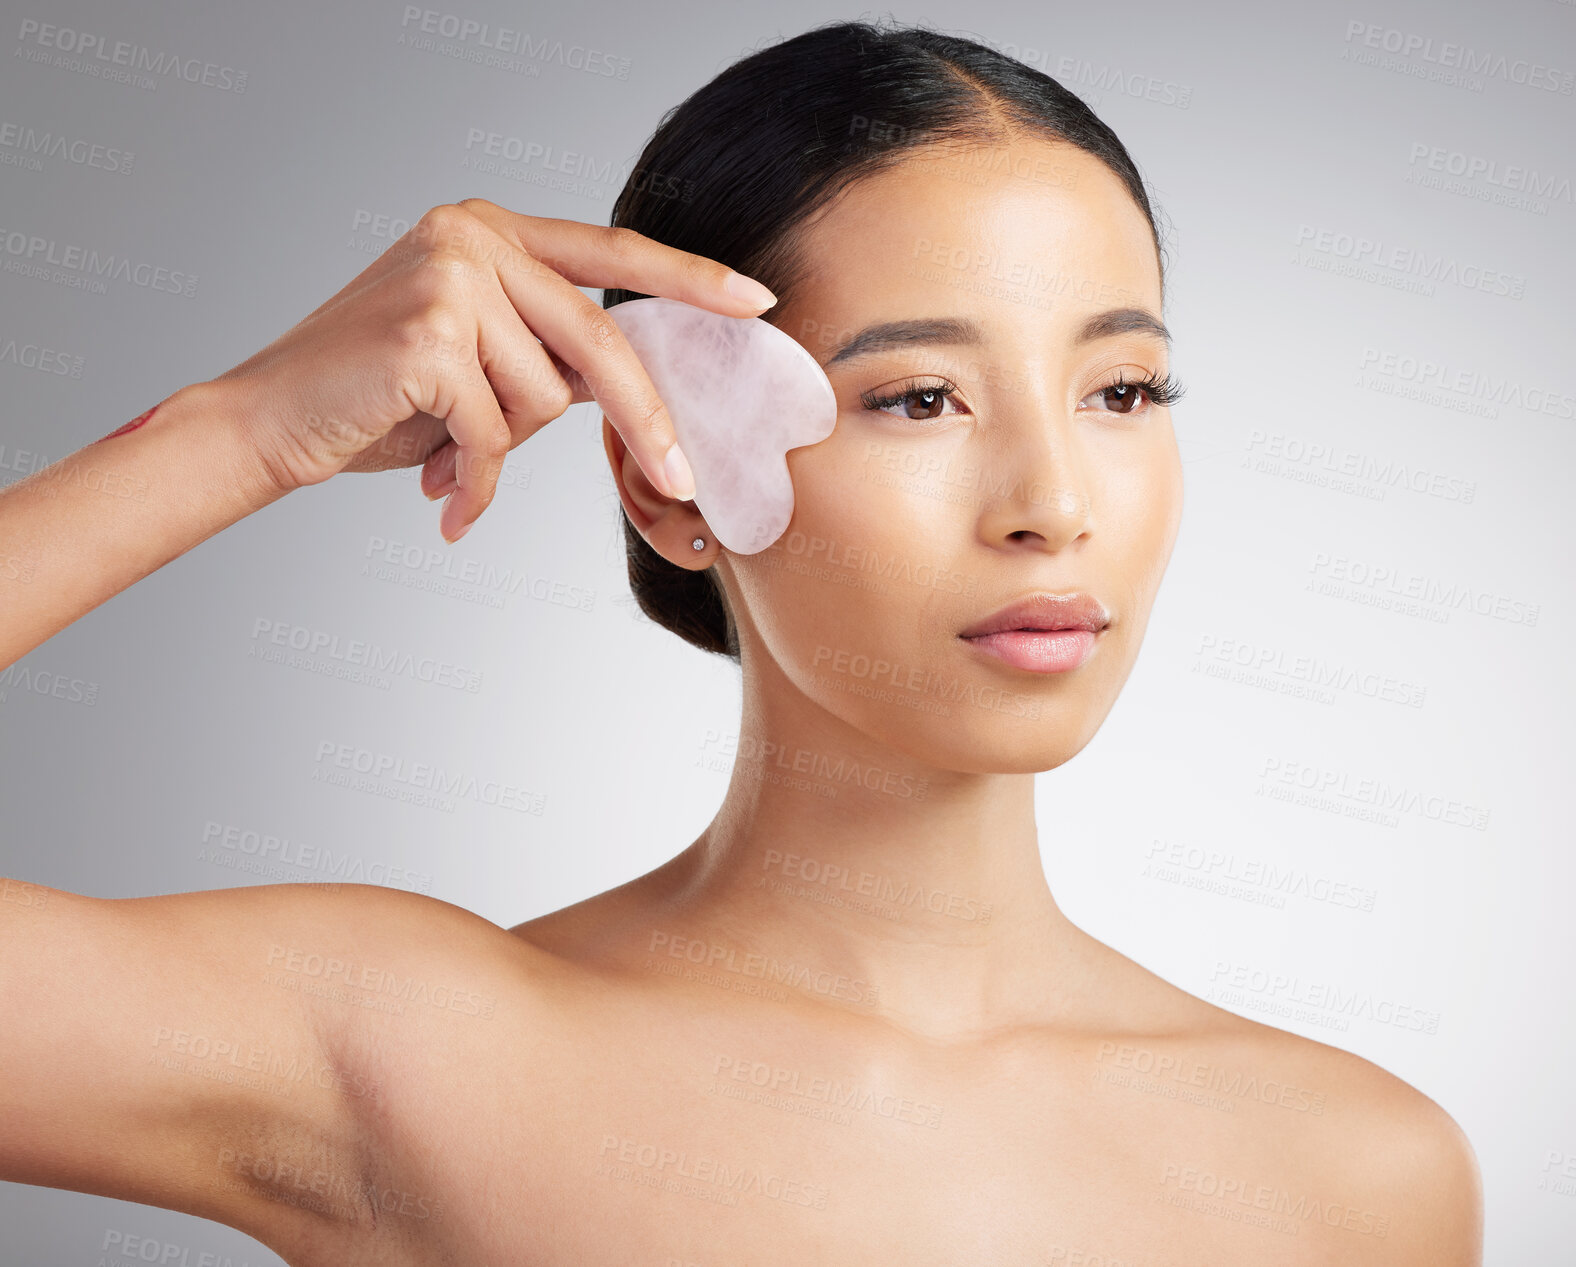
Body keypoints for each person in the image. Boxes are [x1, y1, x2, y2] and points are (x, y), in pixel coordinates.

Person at [0, 18, 1482, 1265]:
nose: (1052, 506)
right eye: (919, 399)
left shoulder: (1360, 1177)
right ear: (671, 476)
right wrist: (242, 430)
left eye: (1123, 392)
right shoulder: (410, 1053)